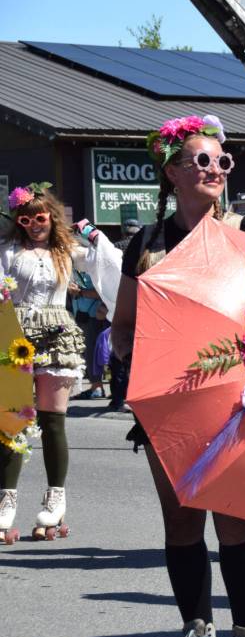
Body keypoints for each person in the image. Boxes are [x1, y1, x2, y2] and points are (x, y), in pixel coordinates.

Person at [110, 114, 245, 637]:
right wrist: (138, 367)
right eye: (202, 160)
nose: (215, 169)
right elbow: (123, 323)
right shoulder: (147, 243)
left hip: (234, 401)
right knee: (181, 524)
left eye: (222, 161)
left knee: (235, 524)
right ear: (172, 172)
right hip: (169, 406)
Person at [0, 183, 119, 546]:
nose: (35, 224)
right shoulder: (6, 251)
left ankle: (55, 497)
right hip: (12, 333)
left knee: (52, 422)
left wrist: (94, 234)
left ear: (51, 216)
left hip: (56, 335)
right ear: (18, 221)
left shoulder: (67, 250)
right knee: (13, 422)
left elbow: (109, 263)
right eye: (26, 218)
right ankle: (6, 500)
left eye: (41, 217)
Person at [108, 217, 141, 413]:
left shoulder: (116, 247)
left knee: (120, 359)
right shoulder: (146, 244)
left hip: (119, 305)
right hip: (138, 309)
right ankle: (126, 397)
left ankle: (118, 399)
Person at [69, 269, 106, 400]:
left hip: (95, 316)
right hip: (80, 314)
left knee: (92, 351)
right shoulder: (76, 269)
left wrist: (80, 292)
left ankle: (97, 386)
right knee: (87, 351)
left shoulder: (95, 269)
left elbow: (102, 292)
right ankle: (95, 385)